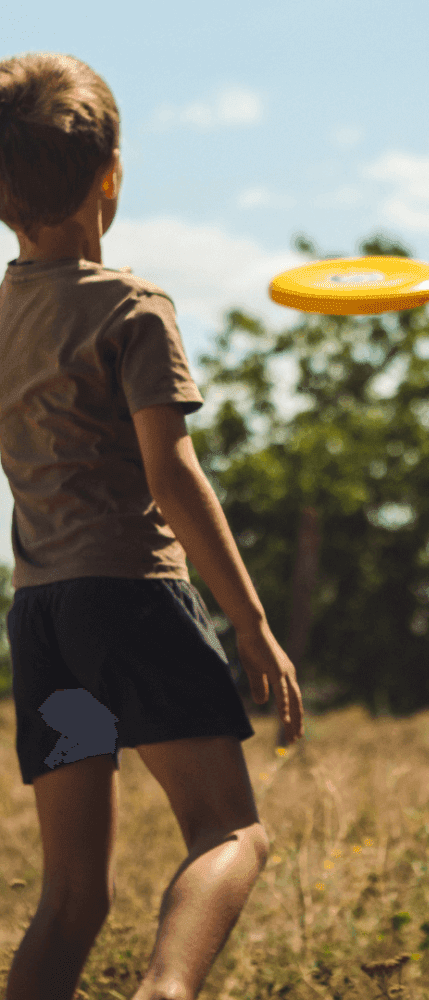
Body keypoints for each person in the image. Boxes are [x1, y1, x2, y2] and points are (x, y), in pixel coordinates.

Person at [0, 53, 305, 1000]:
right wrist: (250, 622)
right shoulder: (132, 307)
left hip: (44, 620)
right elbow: (170, 474)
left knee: (71, 898)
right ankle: (164, 993)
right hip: (130, 602)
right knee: (231, 830)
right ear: (112, 175)